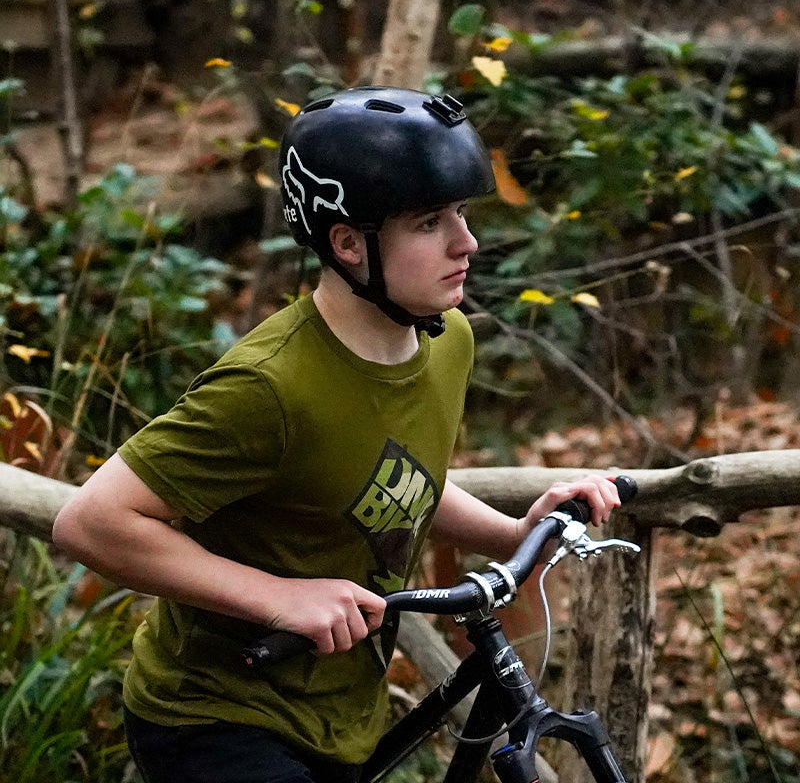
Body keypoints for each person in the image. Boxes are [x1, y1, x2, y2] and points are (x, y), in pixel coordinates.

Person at [52, 87, 621, 783]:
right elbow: (91, 522)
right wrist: (279, 597)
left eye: (464, 214)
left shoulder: (446, 341)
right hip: (215, 717)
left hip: (339, 711)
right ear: (348, 242)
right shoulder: (270, 387)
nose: (466, 242)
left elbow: (396, 479)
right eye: (429, 222)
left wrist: (512, 533)